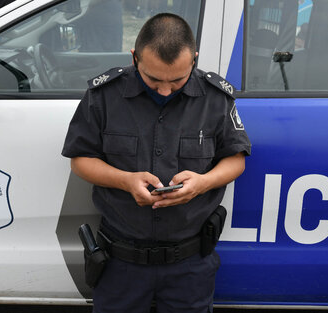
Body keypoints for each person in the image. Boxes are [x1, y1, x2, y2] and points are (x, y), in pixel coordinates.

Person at [62, 13, 251, 313]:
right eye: (153, 79)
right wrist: (125, 180)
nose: (164, 90)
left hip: (189, 265)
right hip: (119, 262)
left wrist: (203, 184)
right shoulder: (104, 96)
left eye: (177, 80)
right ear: (135, 58)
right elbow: (81, 159)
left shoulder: (215, 99)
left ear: (194, 60)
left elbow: (235, 159)